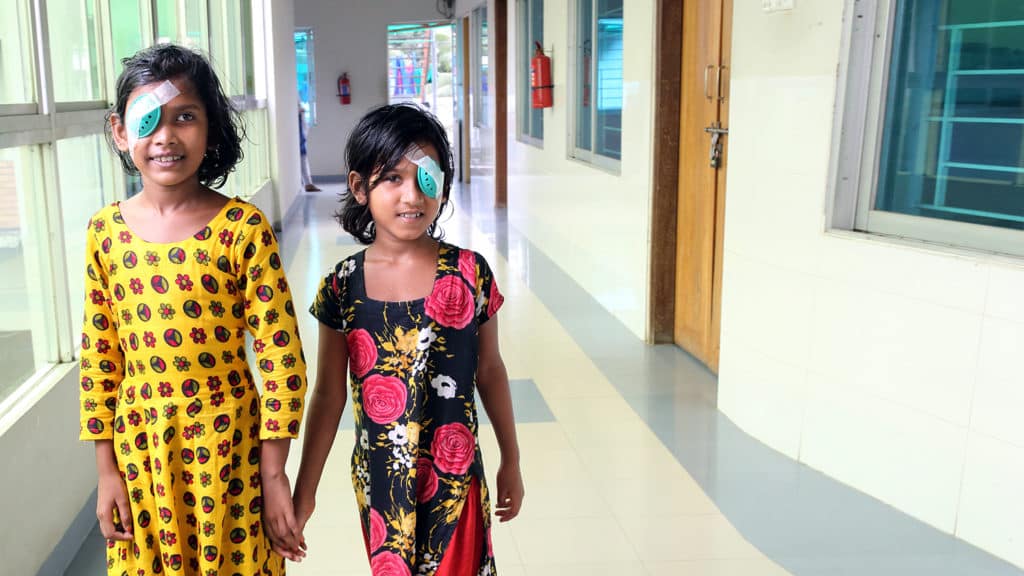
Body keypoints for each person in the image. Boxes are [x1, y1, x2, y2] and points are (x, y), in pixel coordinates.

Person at [79, 44, 308, 575]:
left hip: (231, 450)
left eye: (185, 116)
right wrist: (105, 470)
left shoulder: (242, 230)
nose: (166, 136)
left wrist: (274, 476)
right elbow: (99, 357)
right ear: (119, 131)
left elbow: (281, 359)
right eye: (147, 119)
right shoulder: (104, 234)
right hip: (142, 454)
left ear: (211, 128)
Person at [295, 103, 524, 575]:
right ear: (359, 188)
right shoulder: (341, 287)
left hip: (456, 478)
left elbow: (491, 370)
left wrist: (511, 459)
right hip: (380, 488)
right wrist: (305, 491)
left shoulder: (468, 273)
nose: (412, 195)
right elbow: (328, 394)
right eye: (392, 178)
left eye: (425, 176)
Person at [299, 101, 321, 192]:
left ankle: (308, 183)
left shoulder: (300, 115)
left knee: (303, 158)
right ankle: (307, 183)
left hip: (301, 140)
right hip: (300, 141)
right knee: (302, 159)